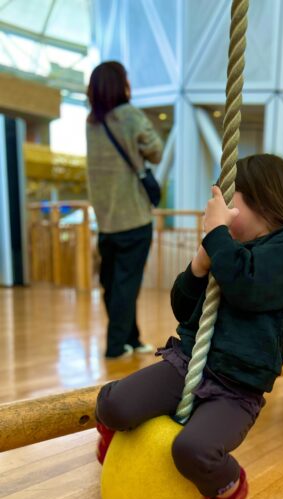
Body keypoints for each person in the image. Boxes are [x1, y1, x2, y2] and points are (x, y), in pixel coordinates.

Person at [96, 153, 283, 499]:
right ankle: (119, 453)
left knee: (194, 448)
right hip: (188, 363)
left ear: (265, 201)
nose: (226, 213)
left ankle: (228, 490)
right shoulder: (226, 254)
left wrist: (217, 236)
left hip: (237, 389)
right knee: (114, 404)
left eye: (233, 204)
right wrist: (199, 264)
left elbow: (246, 286)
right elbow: (182, 309)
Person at [86, 61, 163, 359]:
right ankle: (116, 345)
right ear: (122, 85)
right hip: (134, 218)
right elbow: (155, 150)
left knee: (112, 283)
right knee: (126, 285)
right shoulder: (130, 117)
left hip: (105, 221)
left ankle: (132, 338)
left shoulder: (91, 123)